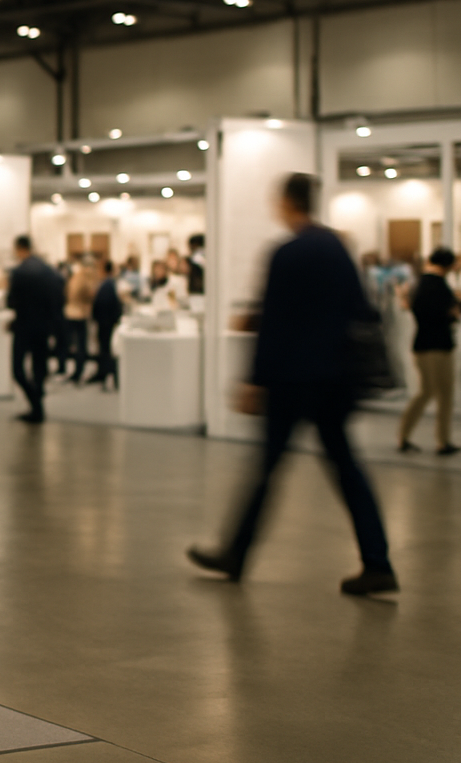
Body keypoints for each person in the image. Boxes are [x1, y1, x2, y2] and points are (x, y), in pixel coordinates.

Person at [189, 173, 397, 596]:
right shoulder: (339, 249)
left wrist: (253, 381)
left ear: (287, 202)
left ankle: (236, 552)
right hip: (336, 379)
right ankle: (377, 561)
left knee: (267, 468)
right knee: (346, 469)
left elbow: (274, 325)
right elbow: (358, 311)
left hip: (293, 380)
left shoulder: (286, 253)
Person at [397, 247, 459, 454]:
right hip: (433, 345)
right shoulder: (432, 284)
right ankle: (406, 435)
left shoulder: (427, 283)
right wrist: (451, 313)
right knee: (430, 392)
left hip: (433, 344)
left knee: (442, 394)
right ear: (447, 265)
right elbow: (437, 312)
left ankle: (441, 440)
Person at [7, 234, 63, 423]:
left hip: (24, 327)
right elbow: (57, 300)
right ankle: (38, 405)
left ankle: (35, 404)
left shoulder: (19, 272)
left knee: (18, 369)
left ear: (19, 248)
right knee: (39, 367)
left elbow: (13, 302)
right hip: (43, 327)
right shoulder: (49, 271)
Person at [89, 260, 123, 389]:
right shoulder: (108, 284)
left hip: (105, 323)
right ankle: (104, 375)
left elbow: (104, 304)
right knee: (105, 350)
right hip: (105, 322)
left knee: (106, 351)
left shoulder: (107, 284)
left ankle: (108, 376)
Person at [63, 256, 97, 383]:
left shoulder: (75, 276)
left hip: (70, 313)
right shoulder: (84, 278)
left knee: (76, 345)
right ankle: (79, 372)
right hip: (79, 314)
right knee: (81, 346)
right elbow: (90, 294)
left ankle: (76, 371)